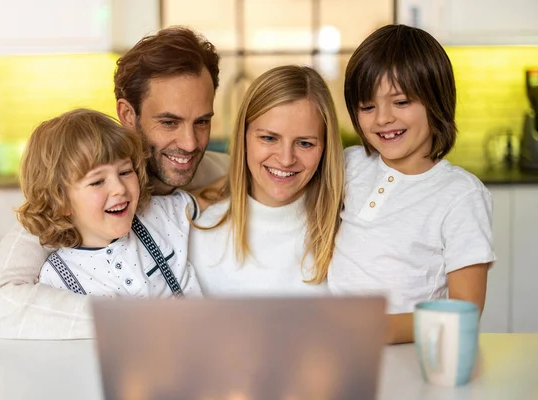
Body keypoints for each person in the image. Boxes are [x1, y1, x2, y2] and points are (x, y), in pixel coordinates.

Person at [0, 27, 226, 339]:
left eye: (202, 121)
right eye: (169, 122)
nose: (189, 144)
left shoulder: (218, 174)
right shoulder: (66, 203)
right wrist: (127, 321)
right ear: (128, 115)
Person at [328, 24, 495, 344]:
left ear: (436, 101)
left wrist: (378, 328)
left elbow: (466, 310)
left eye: (401, 102)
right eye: (367, 106)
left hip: (410, 353)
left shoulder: (461, 195)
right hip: (339, 349)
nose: (382, 118)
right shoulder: (350, 164)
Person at [189, 65, 345, 296]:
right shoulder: (197, 229)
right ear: (244, 137)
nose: (285, 159)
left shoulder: (347, 230)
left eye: (305, 143)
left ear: (325, 147)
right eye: (269, 138)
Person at [19, 109, 200, 299]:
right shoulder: (56, 280)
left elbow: (213, 200)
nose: (119, 189)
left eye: (125, 172)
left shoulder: (158, 215)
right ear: (60, 202)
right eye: (97, 181)